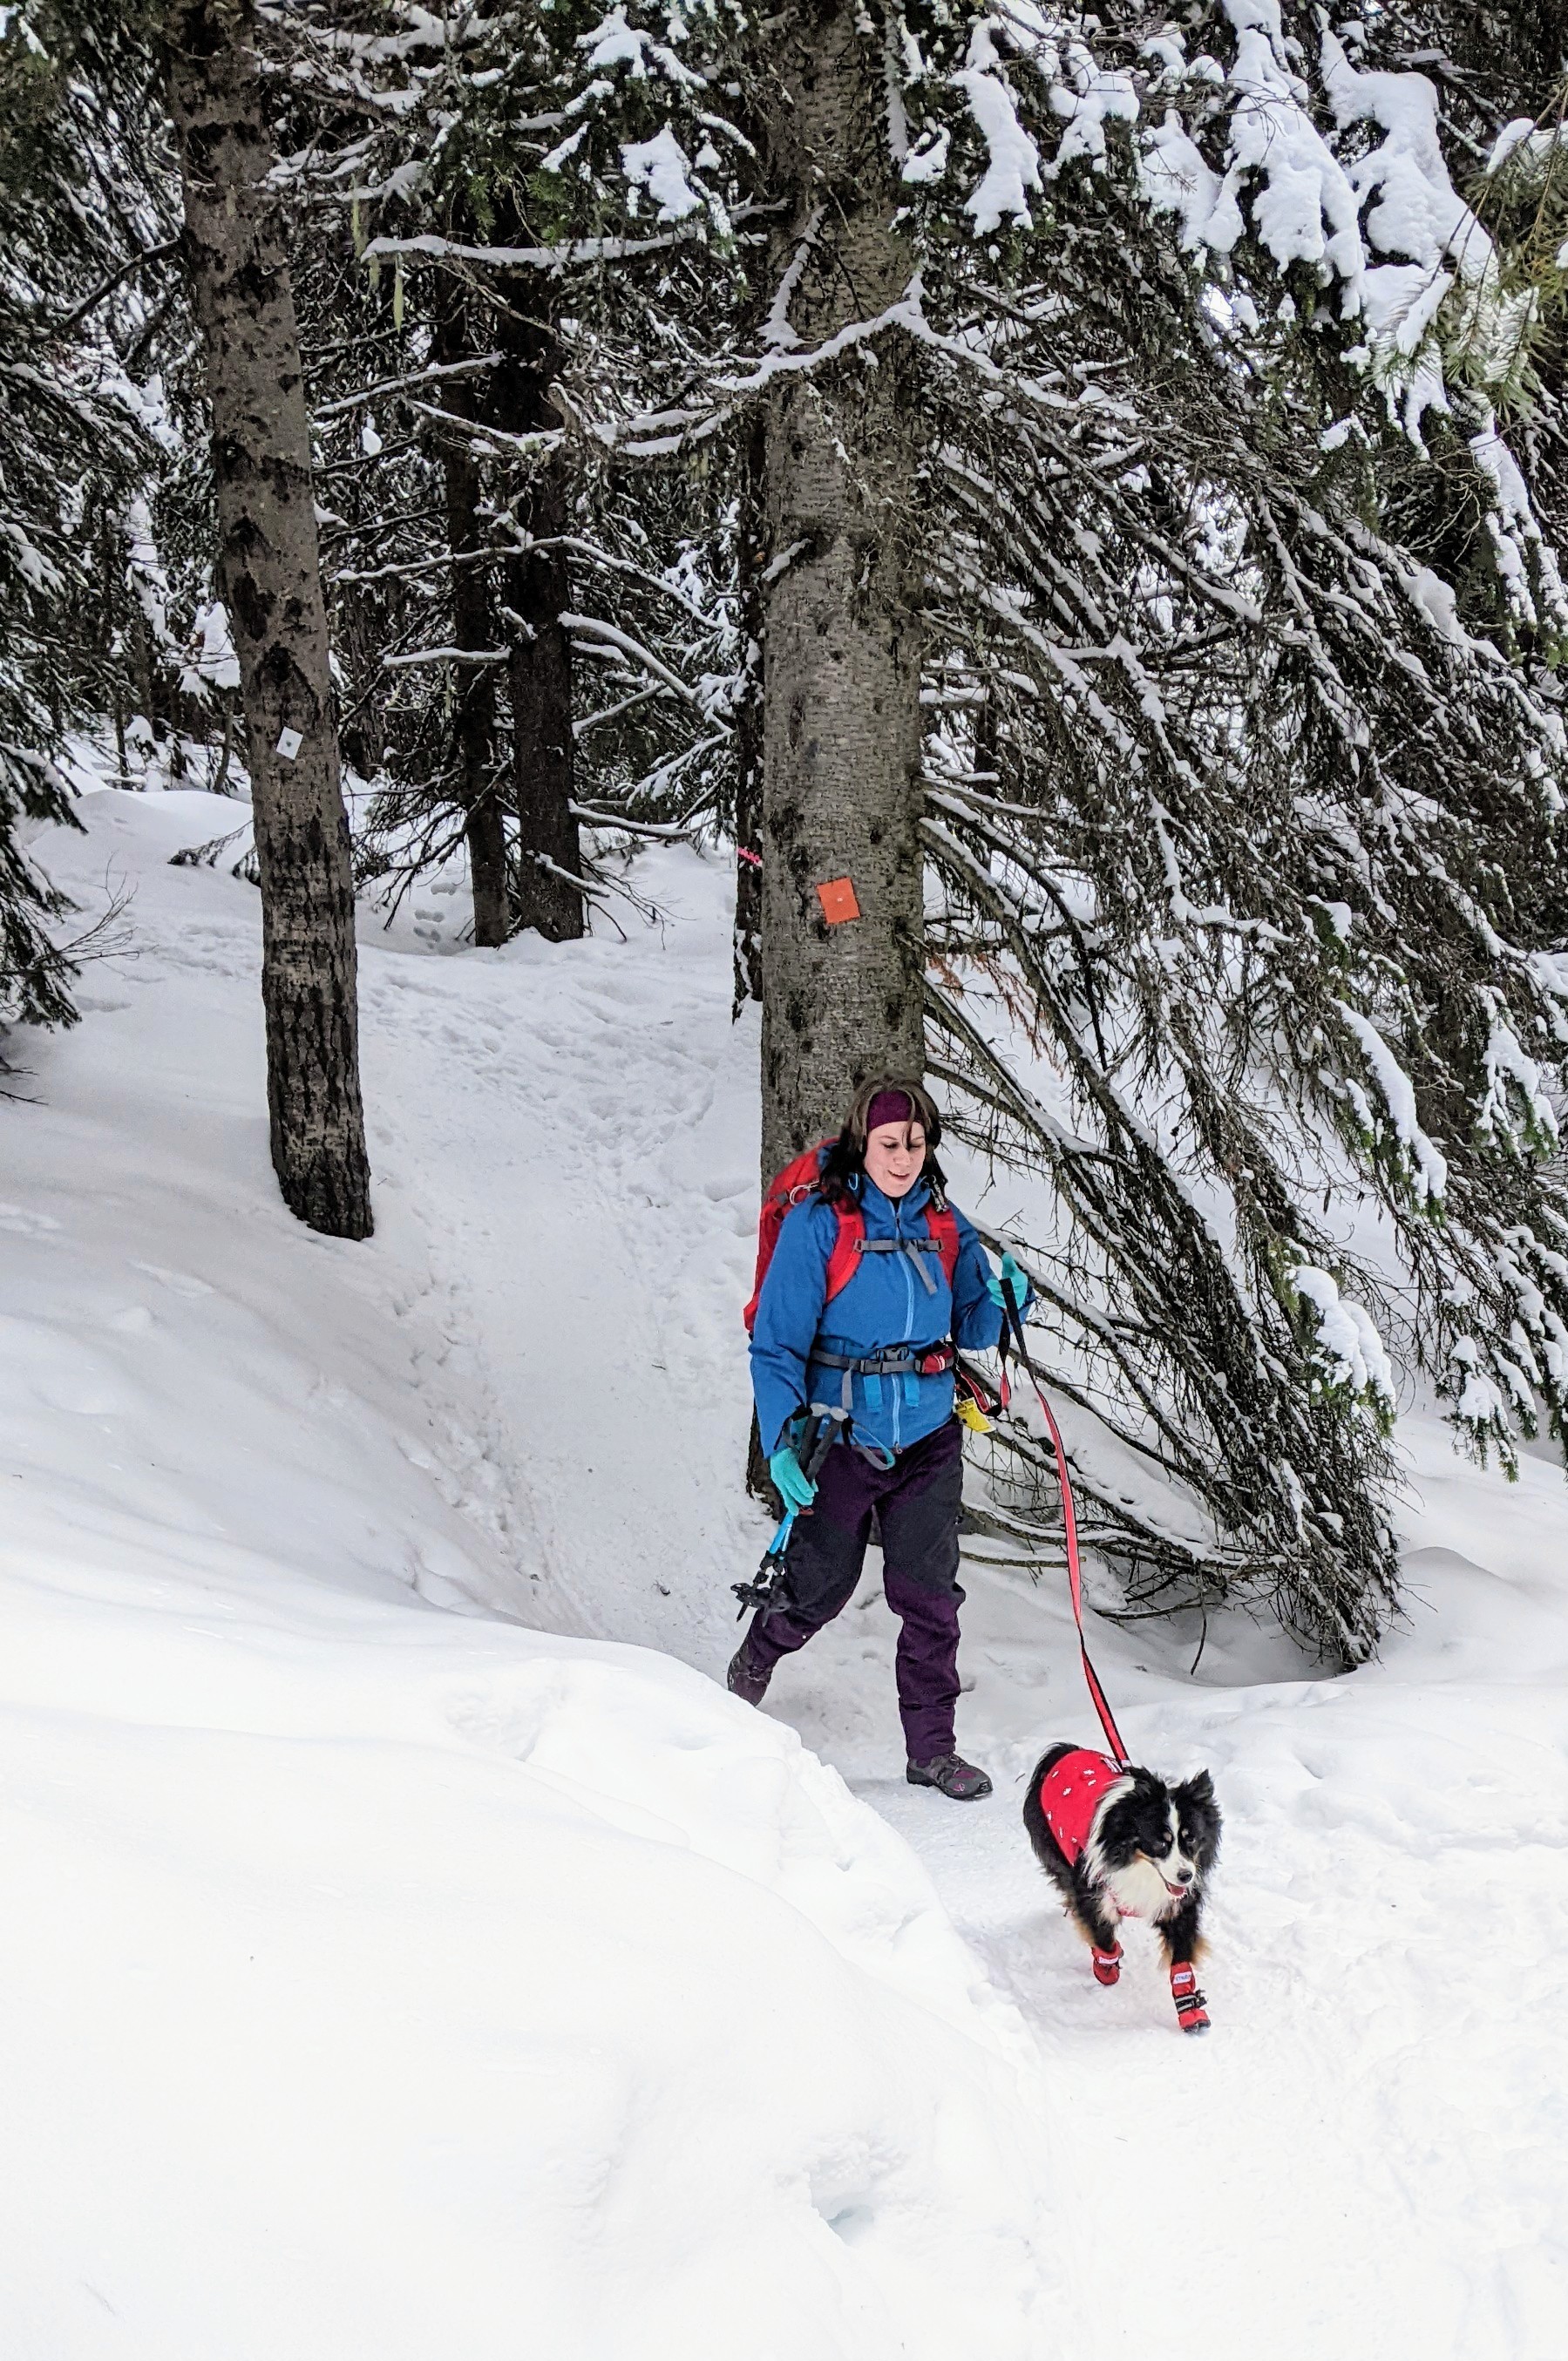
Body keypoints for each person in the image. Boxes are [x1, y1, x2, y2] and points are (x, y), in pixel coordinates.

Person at [729, 1079, 1028, 1801]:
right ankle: (748, 1671)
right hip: (838, 1436)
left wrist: (1007, 1296)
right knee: (815, 1591)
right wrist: (780, 1443)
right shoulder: (819, 1225)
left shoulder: (945, 1223)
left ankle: (932, 1751)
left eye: (915, 1145)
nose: (902, 1158)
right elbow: (773, 1347)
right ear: (863, 1143)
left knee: (928, 1598)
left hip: (928, 1435)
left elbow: (974, 1330)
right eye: (890, 1144)